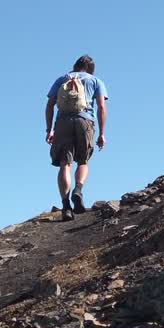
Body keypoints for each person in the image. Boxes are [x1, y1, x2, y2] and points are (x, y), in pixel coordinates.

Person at [45, 55, 108, 221]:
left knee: (65, 165)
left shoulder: (61, 79)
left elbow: (50, 105)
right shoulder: (95, 81)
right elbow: (101, 106)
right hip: (85, 120)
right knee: (83, 161)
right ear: (91, 69)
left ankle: (66, 206)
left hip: (63, 121)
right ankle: (78, 190)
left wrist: (49, 129)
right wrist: (101, 133)